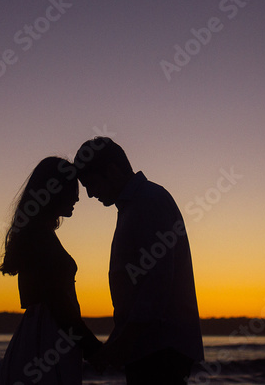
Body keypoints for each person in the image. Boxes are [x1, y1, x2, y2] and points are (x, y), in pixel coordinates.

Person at [74, 137, 204, 385]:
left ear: (112, 171)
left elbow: (156, 284)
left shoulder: (148, 201)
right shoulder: (137, 205)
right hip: (151, 348)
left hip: (159, 350)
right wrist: (117, 342)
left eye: (91, 184)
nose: (90, 194)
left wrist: (123, 342)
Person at [0, 157, 102, 385]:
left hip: (45, 335)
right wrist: (93, 349)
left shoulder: (38, 234)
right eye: (71, 189)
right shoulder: (38, 238)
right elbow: (59, 304)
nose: (77, 197)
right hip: (48, 338)